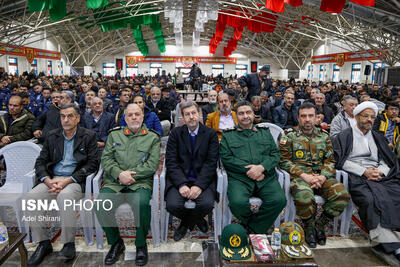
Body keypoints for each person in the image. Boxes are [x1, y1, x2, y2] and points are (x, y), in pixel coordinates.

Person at [26, 103, 99, 266]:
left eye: (70, 116)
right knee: (30, 198)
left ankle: (68, 243)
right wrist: (47, 180)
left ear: (78, 118)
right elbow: (40, 162)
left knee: (65, 198)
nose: (65, 120)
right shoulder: (52, 135)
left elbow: (92, 164)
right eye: (62, 116)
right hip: (52, 179)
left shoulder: (88, 136)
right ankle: (43, 243)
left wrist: (68, 180)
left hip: (73, 180)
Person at [333, 101, 400, 262]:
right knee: (370, 200)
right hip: (357, 177)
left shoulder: (378, 137)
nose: (369, 120)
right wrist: (364, 171)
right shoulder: (345, 136)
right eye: (365, 116)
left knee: (396, 193)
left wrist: (380, 171)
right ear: (356, 117)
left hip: (379, 176)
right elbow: (341, 161)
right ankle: (387, 243)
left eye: (372, 117)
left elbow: (388, 160)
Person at [95, 104, 160, 266]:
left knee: (142, 204)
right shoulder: (115, 135)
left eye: (137, 114)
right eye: (130, 115)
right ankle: (116, 243)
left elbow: (152, 165)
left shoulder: (152, 137)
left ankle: (140, 244)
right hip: (115, 182)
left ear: (143, 116)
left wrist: (129, 175)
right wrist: (119, 174)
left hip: (139, 182)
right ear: (125, 118)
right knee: (101, 205)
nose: (134, 118)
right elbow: (106, 159)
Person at [279, 102, 350, 248]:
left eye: (311, 116)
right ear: (298, 118)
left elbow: (330, 160)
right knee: (304, 197)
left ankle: (319, 224)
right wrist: (304, 176)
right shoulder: (289, 136)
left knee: (342, 195)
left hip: (321, 177)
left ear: (316, 117)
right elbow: (283, 161)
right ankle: (309, 227)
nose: (307, 119)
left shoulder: (324, 136)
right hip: (300, 178)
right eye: (303, 116)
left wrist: (323, 176)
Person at [220, 101, 286, 234]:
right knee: (237, 204)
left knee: (279, 200)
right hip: (240, 179)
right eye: (241, 113)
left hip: (265, 177)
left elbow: (275, 154)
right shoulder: (228, 135)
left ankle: (252, 228)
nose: (245, 116)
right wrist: (251, 170)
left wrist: (261, 168)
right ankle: (258, 226)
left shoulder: (264, 133)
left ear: (253, 114)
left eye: (248, 112)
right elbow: (226, 158)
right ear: (236, 116)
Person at [165, 101, 219, 241]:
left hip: (202, 179)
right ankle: (198, 219)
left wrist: (199, 185)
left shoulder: (210, 134)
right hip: (180, 179)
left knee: (207, 204)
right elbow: (171, 161)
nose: (191, 117)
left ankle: (184, 224)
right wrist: (181, 184)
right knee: (172, 205)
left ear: (199, 114)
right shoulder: (175, 133)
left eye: (194, 113)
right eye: (187, 114)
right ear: (182, 117)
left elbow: (211, 163)